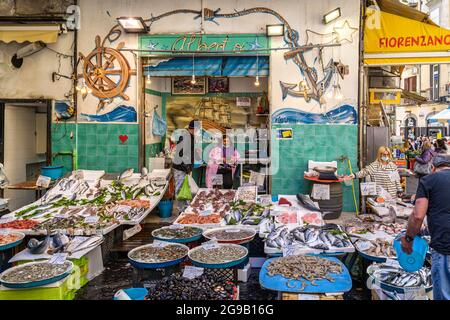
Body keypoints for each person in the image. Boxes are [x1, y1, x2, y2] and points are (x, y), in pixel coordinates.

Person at [400, 154, 450, 300]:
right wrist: (425, 231)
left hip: (445, 249)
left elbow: (418, 216)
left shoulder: (429, 180)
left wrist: (408, 239)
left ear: (432, 167)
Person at [172, 120, 199, 213]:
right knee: (180, 189)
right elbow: (181, 153)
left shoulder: (190, 136)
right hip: (180, 168)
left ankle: (186, 208)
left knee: (185, 188)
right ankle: (181, 210)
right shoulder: (185, 137)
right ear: (193, 128)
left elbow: (190, 152)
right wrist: (187, 167)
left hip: (185, 168)